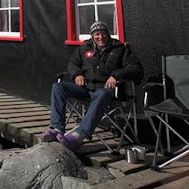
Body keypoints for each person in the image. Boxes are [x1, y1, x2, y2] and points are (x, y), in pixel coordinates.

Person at [41, 21, 143, 150]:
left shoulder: (120, 49)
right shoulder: (84, 48)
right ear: (92, 36)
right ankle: (57, 129)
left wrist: (116, 75)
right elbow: (73, 63)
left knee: (102, 93)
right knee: (58, 87)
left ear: (108, 35)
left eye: (104, 34)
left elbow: (136, 69)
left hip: (107, 91)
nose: (101, 37)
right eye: (97, 34)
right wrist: (77, 75)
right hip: (86, 89)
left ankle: (79, 136)